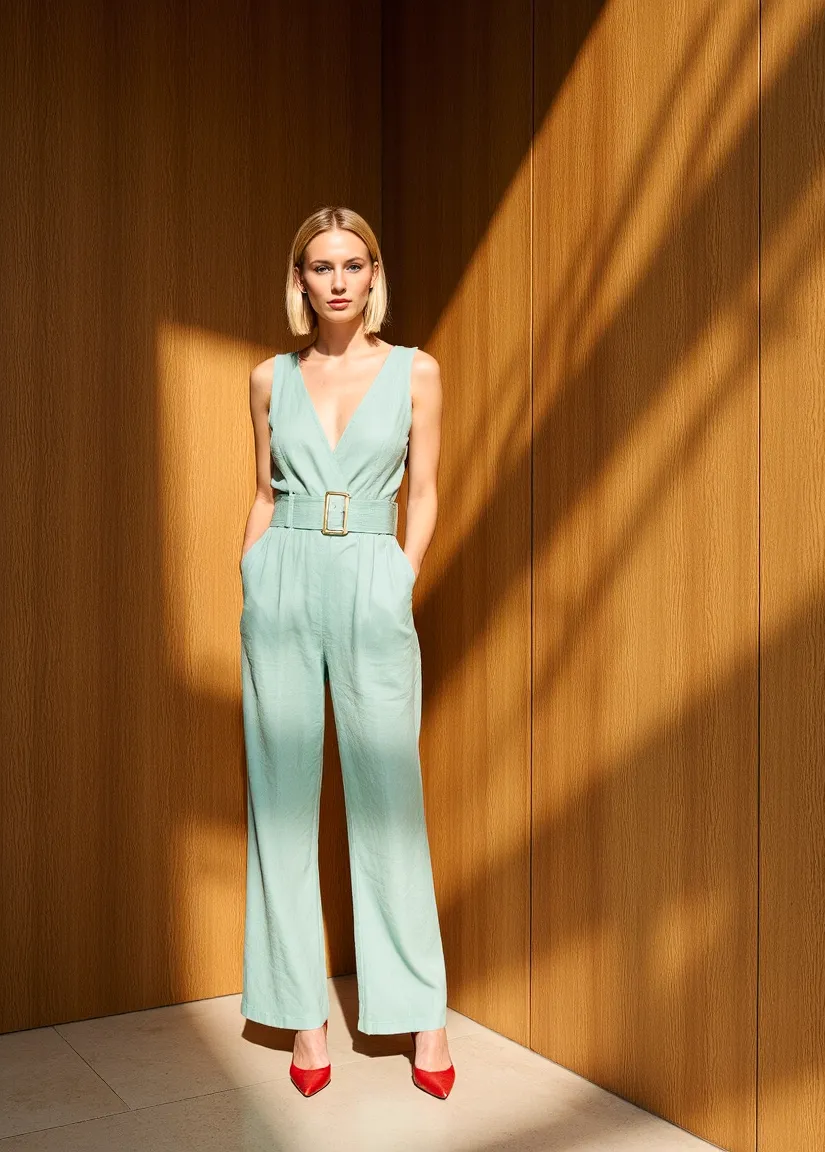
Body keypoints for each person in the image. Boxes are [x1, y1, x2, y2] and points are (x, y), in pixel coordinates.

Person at [237, 206, 455, 1099]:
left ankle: (423, 1012)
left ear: (374, 274)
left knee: (388, 798)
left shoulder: (416, 372)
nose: (337, 281)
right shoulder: (268, 377)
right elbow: (262, 490)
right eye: (320, 266)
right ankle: (302, 1015)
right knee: (282, 803)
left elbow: (425, 491)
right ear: (300, 279)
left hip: (371, 573)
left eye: (352, 265)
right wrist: (253, 574)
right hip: (282, 578)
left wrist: (399, 576)